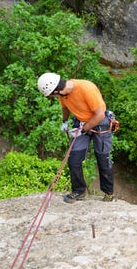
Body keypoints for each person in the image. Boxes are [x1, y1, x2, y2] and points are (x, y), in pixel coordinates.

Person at [37, 72, 115, 203]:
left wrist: (83, 130)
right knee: (73, 159)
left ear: (57, 90)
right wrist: (65, 121)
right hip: (81, 122)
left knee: (103, 158)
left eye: (53, 95)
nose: (54, 97)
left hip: (100, 123)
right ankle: (78, 191)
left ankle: (109, 193)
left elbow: (99, 115)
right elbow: (65, 107)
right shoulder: (64, 94)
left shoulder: (86, 88)